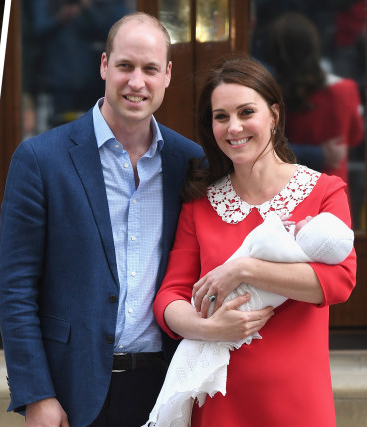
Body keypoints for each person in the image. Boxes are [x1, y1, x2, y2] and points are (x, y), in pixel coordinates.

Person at [0, 12, 203, 427]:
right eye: (125, 66)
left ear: (167, 75)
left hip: (166, 389)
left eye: (149, 69)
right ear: (105, 65)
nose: (136, 82)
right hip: (73, 393)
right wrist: (37, 394)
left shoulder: (190, 162)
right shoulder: (41, 159)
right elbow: (15, 289)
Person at [153, 56, 356, 427]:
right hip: (219, 403)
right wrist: (208, 329)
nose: (234, 128)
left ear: (274, 114)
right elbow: (169, 297)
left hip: (298, 402)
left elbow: (339, 282)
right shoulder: (200, 203)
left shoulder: (324, 191)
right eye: (221, 116)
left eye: (247, 112)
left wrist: (245, 269)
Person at [267, 12, 364, 184]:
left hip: (286, 187)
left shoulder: (272, 95)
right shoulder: (345, 89)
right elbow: (355, 137)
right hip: (333, 188)